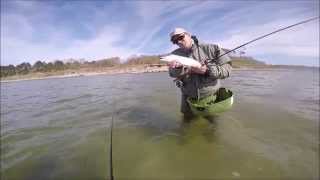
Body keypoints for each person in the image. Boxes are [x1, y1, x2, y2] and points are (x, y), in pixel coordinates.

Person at [167, 27, 232, 120]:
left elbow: (228, 70)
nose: (179, 42)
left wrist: (207, 71)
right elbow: (172, 74)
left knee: (211, 123)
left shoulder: (212, 48)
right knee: (187, 121)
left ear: (188, 35)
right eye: (175, 41)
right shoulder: (174, 55)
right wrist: (177, 68)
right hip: (187, 96)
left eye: (181, 38)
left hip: (211, 96)